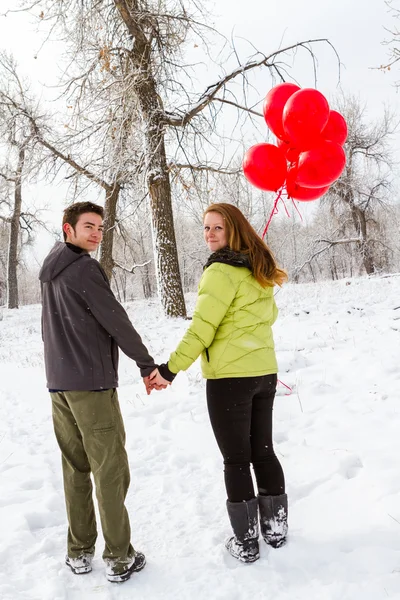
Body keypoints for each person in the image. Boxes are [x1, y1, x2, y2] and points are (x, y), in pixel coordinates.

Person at [152, 203, 288, 563]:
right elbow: (269, 316)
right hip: (264, 374)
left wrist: (170, 369)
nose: (210, 234)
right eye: (206, 228)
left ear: (235, 232)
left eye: (218, 228)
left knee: (237, 459)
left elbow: (201, 329)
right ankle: (275, 530)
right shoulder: (259, 270)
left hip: (230, 379)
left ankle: (246, 543)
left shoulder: (220, 272)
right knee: (263, 450)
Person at [39, 201, 162, 583]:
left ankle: (78, 551)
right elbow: (116, 321)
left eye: (100, 227)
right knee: (110, 471)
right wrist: (146, 364)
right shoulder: (84, 269)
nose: (96, 233)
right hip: (90, 387)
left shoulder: (50, 267)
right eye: (88, 226)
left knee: (76, 469)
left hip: (59, 385)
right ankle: (119, 556)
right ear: (67, 228)